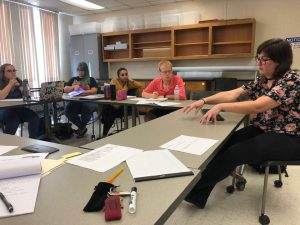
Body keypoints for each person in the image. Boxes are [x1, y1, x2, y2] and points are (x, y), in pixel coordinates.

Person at [183, 38, 300, 209]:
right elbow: (233, 94)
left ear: (280, 61)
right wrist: (204, 100)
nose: (259, 63)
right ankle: (198, 195)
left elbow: (258, 105)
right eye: (258, 58)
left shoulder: (291, 80)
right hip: (266, 129)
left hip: (290, 137)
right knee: (223, 145)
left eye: (264, 59)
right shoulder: (263, 79)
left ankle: (189, 190)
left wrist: (221, 107)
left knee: (234, 154)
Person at [0, 63, 40, 138]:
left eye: (14, 70)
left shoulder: (18, 80)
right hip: (3, 109)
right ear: (3, 73)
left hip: (18, 108)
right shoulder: (1, 82)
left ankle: (33, 140)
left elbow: (28, 96)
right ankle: (7, 143)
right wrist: (10, 84)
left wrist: (22, 88)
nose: (13, 72)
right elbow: (1, 96)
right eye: (9, 71)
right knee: (14, 120)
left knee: (34, 118)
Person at [101, 67, 143, 136]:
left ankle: (104, 134)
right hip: (113, 105)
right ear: (118, 76)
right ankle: (104, 134)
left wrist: (131, 80)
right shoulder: (114, 81)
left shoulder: (127, 83)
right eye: (122, 75)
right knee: (109, 112)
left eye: (126, 74)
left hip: (121, 106)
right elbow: (117, 91)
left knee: (110, 113)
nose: (125, 76)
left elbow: (140, 85)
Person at [64, 62, 98, 138]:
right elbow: (65, 89)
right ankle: (82, 127)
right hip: (76, 102)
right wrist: (73, 87)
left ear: (86, 71)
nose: (80, 72)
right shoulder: (73, 79)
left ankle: (81, 128)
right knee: (67, 110)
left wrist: (81, 92)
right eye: (79, 70)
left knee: (86, 108)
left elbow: (94, 90)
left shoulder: (91, 79)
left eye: (82, 71)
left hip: (89, 102)